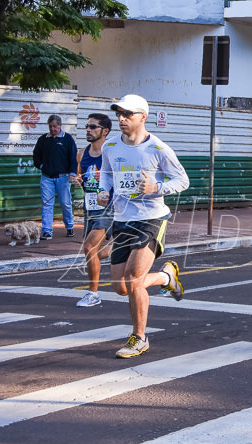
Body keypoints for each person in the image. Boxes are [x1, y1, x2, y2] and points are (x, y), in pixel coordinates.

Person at [96, 94, 190, 358]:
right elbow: (106, 173)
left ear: (143, 117)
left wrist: (157, 187)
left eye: (128, 114)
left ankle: (139, 338)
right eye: (119, 114)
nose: (122, 119)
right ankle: (166, 277)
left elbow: (182, 180)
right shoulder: (111, 145)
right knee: (120, 286)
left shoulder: (158, 149)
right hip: (122, 219)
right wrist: (104, 191)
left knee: (134, 280)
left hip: (151, 219)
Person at [71, 113, 115, 308]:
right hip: (90, 207)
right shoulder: (82, 153)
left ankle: (93, 294)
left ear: (104, 131)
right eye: (87, 127)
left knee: (89, 247)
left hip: (110, 207)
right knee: (94, 252)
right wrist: (79, 181)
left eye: (92, 127)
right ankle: (122, 247)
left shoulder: (112, 152)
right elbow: (83, 178)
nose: (87, 130)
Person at [32, 114, 78, 239]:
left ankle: (69, 227)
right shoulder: (43, 139)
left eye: (55, 126)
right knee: (47, 204)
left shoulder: (67, 139)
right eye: (50, 126)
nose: (52, 129)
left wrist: (72, 173)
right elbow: (36, 155)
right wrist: (42, 166)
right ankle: (47, 231)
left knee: (65, 203)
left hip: (63, 177)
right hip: (47, 177)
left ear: (60, 126)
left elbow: (73, 157)